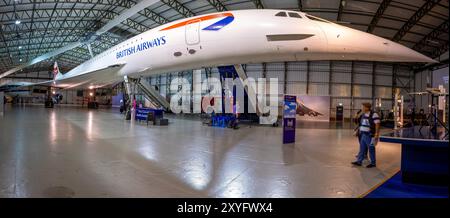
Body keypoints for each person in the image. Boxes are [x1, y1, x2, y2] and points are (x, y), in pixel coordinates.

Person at [352, 102, 381, 168]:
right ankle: (359, 161)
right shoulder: (363, 114)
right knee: (362, 148)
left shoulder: (374, 114)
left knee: (371, 148)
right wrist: (357, 131)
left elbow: (377, 124)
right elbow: (360, 124)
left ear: (367, 108)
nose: (361, 108)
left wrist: (376, 134)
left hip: (369, 135)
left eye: (363, 107)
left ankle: (373, 163)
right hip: (362, 134)